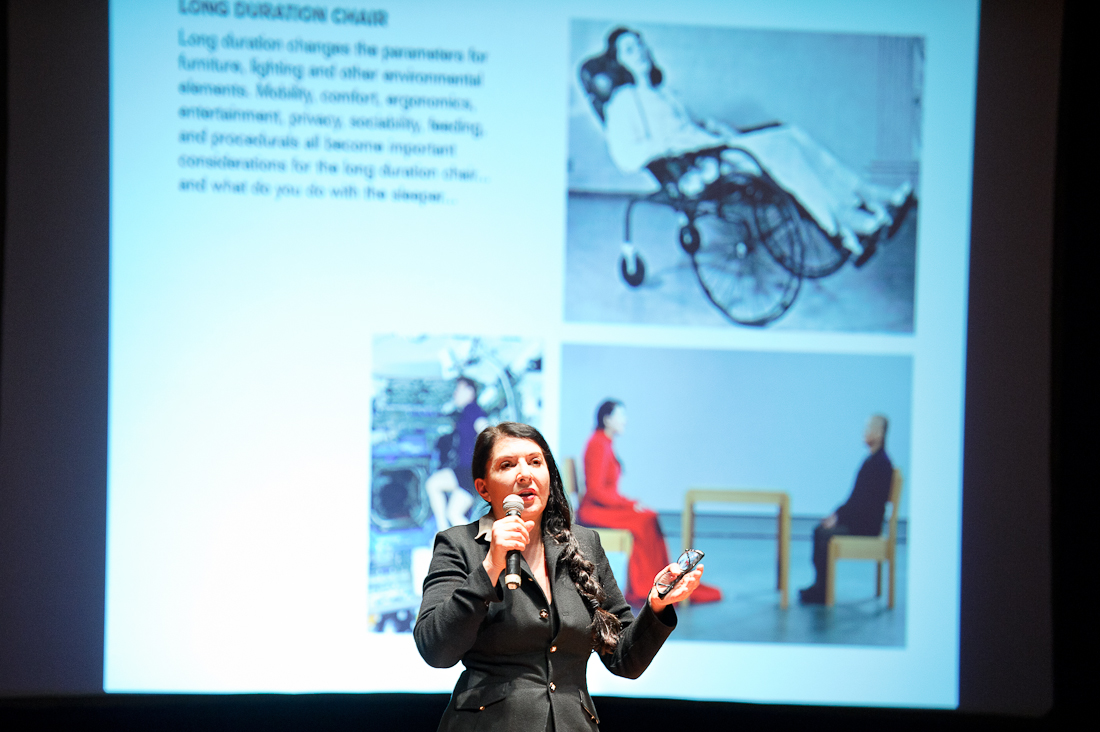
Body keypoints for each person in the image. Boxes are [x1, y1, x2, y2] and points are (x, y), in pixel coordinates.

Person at [415, 422, 705, 731]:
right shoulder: (459, 544)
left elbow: (624, 660)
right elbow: (436, 649)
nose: (524, 473)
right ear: (484, 487)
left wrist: (657, 605)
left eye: (535, 462)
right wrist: (490, 567)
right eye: (507, 465)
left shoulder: (585, 544)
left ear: (548, 477)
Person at [581, 27, 916, 264]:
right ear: (618, 63)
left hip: (716, 150)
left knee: (791, 136)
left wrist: (714, 130)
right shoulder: (625, 102)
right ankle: (848, 227)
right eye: (629, 50)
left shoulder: (663, 93)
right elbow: (627, 156)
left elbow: (694, 126)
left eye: (640, 45)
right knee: (785, 154)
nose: (640, 52)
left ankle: (871, 197)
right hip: (700, 166)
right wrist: (669, 145)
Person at [577, 400, 722, 606]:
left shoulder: (605, 443)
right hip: (594, 510)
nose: (624, 421)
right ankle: (647, 582)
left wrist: (628, 503)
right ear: (607, 419)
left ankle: (662, 577)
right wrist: (628, 504)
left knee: (648, 516)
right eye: (621, 416)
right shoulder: (598, 444)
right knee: (644, 519)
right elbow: (596, 490)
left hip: (603, 506)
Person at [799, 414, 894, 604]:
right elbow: (854, 499)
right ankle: (820, 586)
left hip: (866, 527)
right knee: (820, 530)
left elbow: (865, 505)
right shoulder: (872, 461)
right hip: (860, 521)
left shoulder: (880, 464)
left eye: (869, 429)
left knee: (823, 534)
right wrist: (835, 515)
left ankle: (822, 590)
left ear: (880, 433)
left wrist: (839, 518)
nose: (864, 432)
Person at [426, 377, 490, 530]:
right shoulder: (466, 412)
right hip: (473, 473)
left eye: (458, 389)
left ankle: (442, 531)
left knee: (433, 484)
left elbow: (485, 429)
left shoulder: (471, 409)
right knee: (454, 513)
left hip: (468, 470)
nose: (455, 394)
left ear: (470, 391)